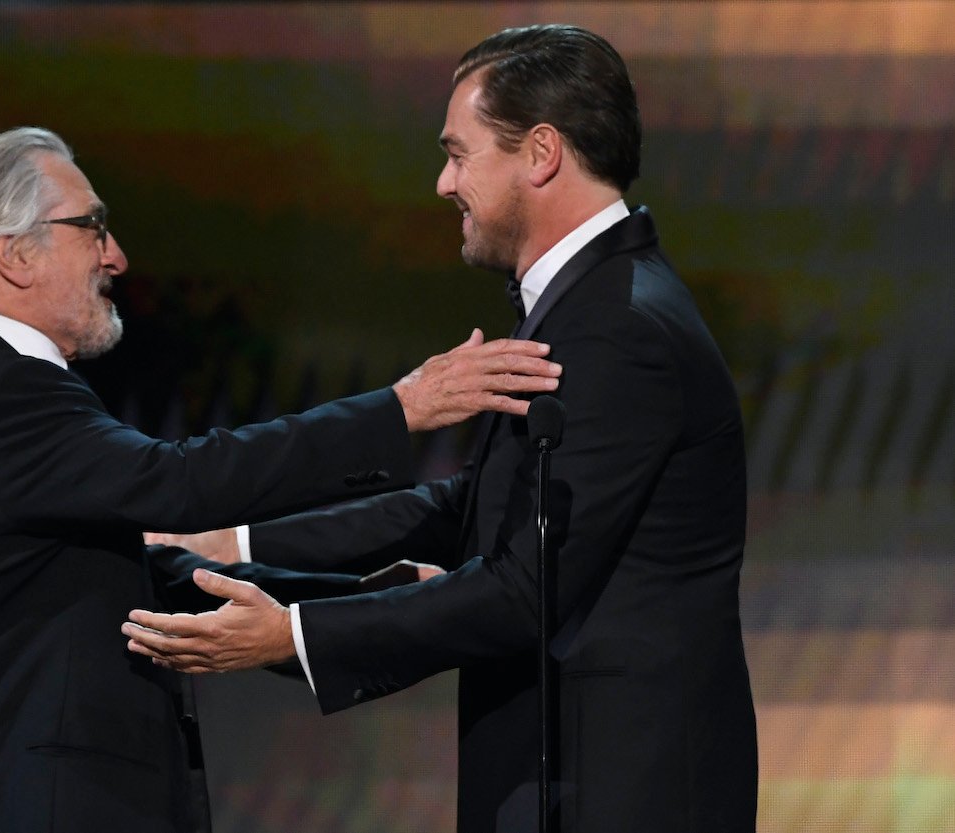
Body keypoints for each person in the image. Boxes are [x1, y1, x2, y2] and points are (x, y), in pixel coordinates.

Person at [125, 24, 758, 833]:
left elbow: (524, 589)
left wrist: (290, 633)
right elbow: (470, 510)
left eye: (459, 154)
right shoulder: (588, 307)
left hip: (618, 794)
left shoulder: (620, 326)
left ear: (540, 153)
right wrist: (237, 546)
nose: (441, 182)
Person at [0, 126, 563, 833]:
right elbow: (179, 481)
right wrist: (399, 409)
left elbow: (139, 583)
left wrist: (354, 608)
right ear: (11, 254)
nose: (116, 256)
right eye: (91, 227)